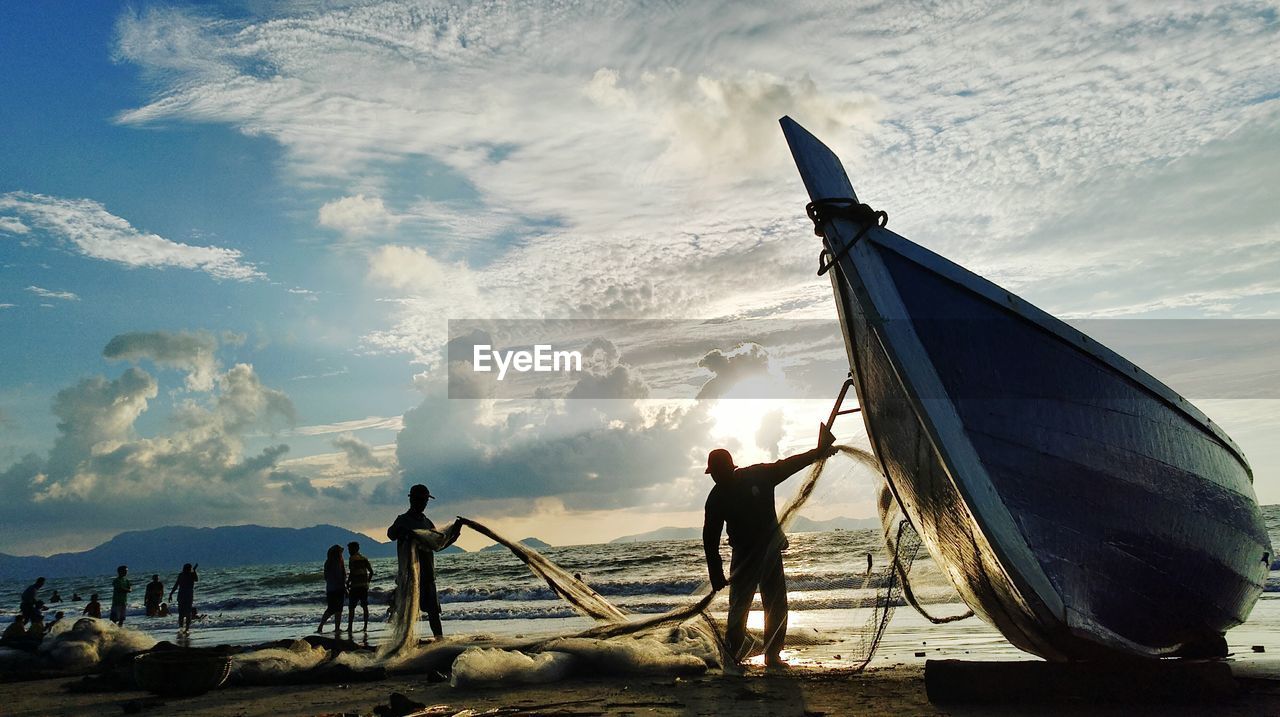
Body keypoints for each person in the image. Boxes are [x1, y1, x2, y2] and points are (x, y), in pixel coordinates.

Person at [703, 423, 836, 667]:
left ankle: (772, 656)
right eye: (712, 473)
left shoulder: (757, 475)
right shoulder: (717, 497)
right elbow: (709, 538)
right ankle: (734, 656)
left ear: (726, 469)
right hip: (743, 555)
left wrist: (817, 452)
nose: (714, 476)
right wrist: (715, 572)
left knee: (775, 604)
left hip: (768, 552)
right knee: (739, 608)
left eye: (715, 472)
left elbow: (789, 464)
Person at [387, 483, 461, 639]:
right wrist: (404, 532)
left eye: (425, 501)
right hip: (408, 577)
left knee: (434, 612)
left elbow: (437, 545)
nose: (424, 503)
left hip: (428, 575)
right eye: (421, 500)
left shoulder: (427, 523)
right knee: (406, 614)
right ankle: (403, 643)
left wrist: (455, 534)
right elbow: (391, 534)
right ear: (412, 500)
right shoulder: (403, 520)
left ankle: (439, 641)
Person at [317, 545, 346, 634]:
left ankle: (321, 626)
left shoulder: (328, 562)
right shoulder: (337, 562)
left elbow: (326, 577)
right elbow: (339, 576)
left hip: (330, 588)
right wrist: (343, 586)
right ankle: (336, 627)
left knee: (331, 608)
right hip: (338, 588)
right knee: (338, 609)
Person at [346, 541, 374, 633]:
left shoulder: (352, 559)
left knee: (351, 607)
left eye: (350, 549)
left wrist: (348, 582)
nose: (349, 551)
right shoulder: (364, 558)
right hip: (364, 587)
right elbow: (371, 572)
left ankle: (350, 627)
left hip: (355, 587)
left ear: (355, 549)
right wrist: (367, 582)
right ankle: (365, 626)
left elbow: (352, 572)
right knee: (365, 606)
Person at [168, 564, 199, 632]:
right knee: (181, 613)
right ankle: (182, 628)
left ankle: (186, 628)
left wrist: (194, 571)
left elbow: (196, 579)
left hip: (187, 594)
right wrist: (171, 594)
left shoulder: (191, 574)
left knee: (187, 612)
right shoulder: (181, 575)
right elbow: (176, 585)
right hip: (183, 594)